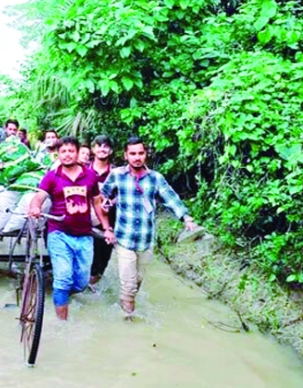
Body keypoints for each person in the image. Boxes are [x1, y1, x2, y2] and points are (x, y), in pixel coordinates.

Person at [99, 137, 201, 318]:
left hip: (146, 241)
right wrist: (106, 203)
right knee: (129, 285)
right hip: (124, 239)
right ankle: (128, 319)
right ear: (126, 155)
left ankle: (125, 302)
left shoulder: (155, 178)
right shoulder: (117, 175)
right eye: (132, 154)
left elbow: (170, 198)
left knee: (137, 281)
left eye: (140, 153)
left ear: (146, 155)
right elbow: (102, 194)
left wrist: (185, 217)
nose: (137, 157)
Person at [29, 136, 108, 320]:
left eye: (71, 151)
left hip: (84, 235)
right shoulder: (52, 176)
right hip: (59, 233)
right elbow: (39, 197)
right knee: (63, 278)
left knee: (81, 282)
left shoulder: (90, 176)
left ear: (78, 152)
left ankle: (62, 296)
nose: (67, 155)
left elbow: (97, 202)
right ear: (58, 154)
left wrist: (107, 228)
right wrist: (35, 207)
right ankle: (62, 324)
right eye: (63, 151)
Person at [88, 135, 115, 286]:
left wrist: (111, 202)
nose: (102, 149)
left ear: (110, 151)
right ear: (93, 149)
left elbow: (122, 193)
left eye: (106, 146)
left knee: (103, 256)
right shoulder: (84, 170)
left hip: (108, 219)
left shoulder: (116, 173)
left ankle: (94, 282)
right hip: (85, 218)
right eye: (99, 146)